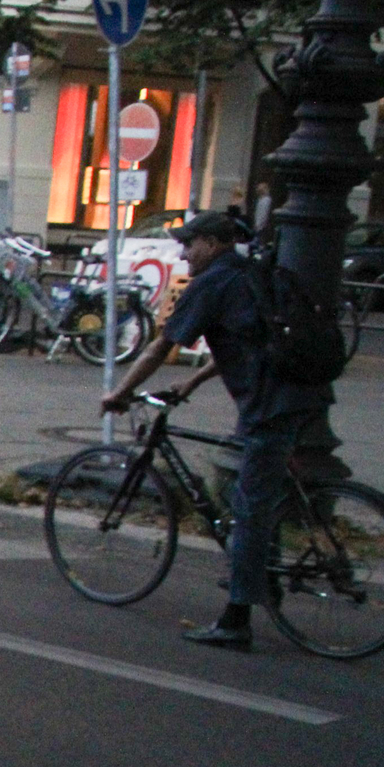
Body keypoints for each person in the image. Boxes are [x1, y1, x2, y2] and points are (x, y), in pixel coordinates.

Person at [101, 207, 335, 651]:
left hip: (271, 404)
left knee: (249, 508)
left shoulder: (212, 283)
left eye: (189, 244)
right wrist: (192, 380)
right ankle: (262, 577)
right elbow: (245, 341)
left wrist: (119, 393)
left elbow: (159, 347)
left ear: (211, 243)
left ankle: (236, 618)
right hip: (300, 394)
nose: (184, 253)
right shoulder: (250, 273)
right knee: (245, 490)